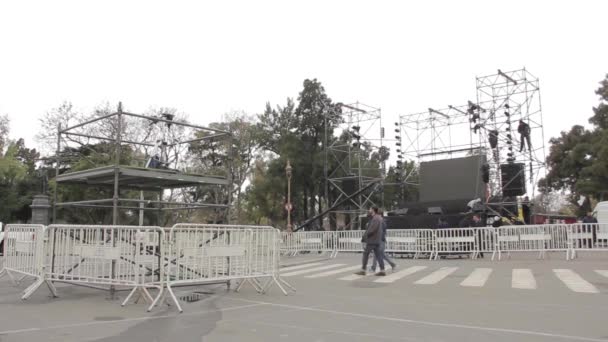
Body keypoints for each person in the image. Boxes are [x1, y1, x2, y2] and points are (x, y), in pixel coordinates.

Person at [355, 207, 386, 276]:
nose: (369, 210)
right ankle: (382, 270)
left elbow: (372, 229)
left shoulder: (375, 218)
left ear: (373, 210)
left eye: (370, 209)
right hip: (377, 240)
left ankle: (363, 270)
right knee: (378, 255)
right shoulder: (378, 218)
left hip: (372, 240)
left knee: (365, 254)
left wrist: (365, 237)